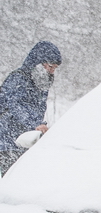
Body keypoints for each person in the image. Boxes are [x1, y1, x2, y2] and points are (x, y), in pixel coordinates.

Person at [0, 41, 62, 177]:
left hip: (26, 141)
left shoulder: (41, 83)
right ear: (39, 63)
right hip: (9, 142)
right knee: (13, 183)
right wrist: (35, 124)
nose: (52, 71)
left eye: (55, 68)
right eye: (50, 66)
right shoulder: (18, 78)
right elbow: (15, 105)